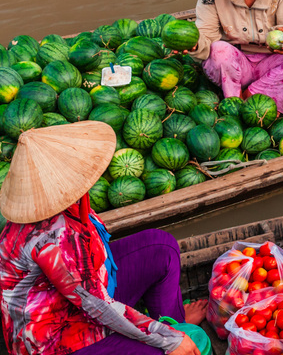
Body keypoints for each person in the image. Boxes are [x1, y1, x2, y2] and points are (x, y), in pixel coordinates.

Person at [0, 122, 207, 355]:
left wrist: (168, 332)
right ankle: (176, 338)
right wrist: (168, 340)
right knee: (162, 351)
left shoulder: (66, 204)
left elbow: (90, 284)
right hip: (59, 339)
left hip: (83, 296)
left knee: (162, 248)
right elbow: (97, 305)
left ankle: (174, 323)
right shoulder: (52, 239)